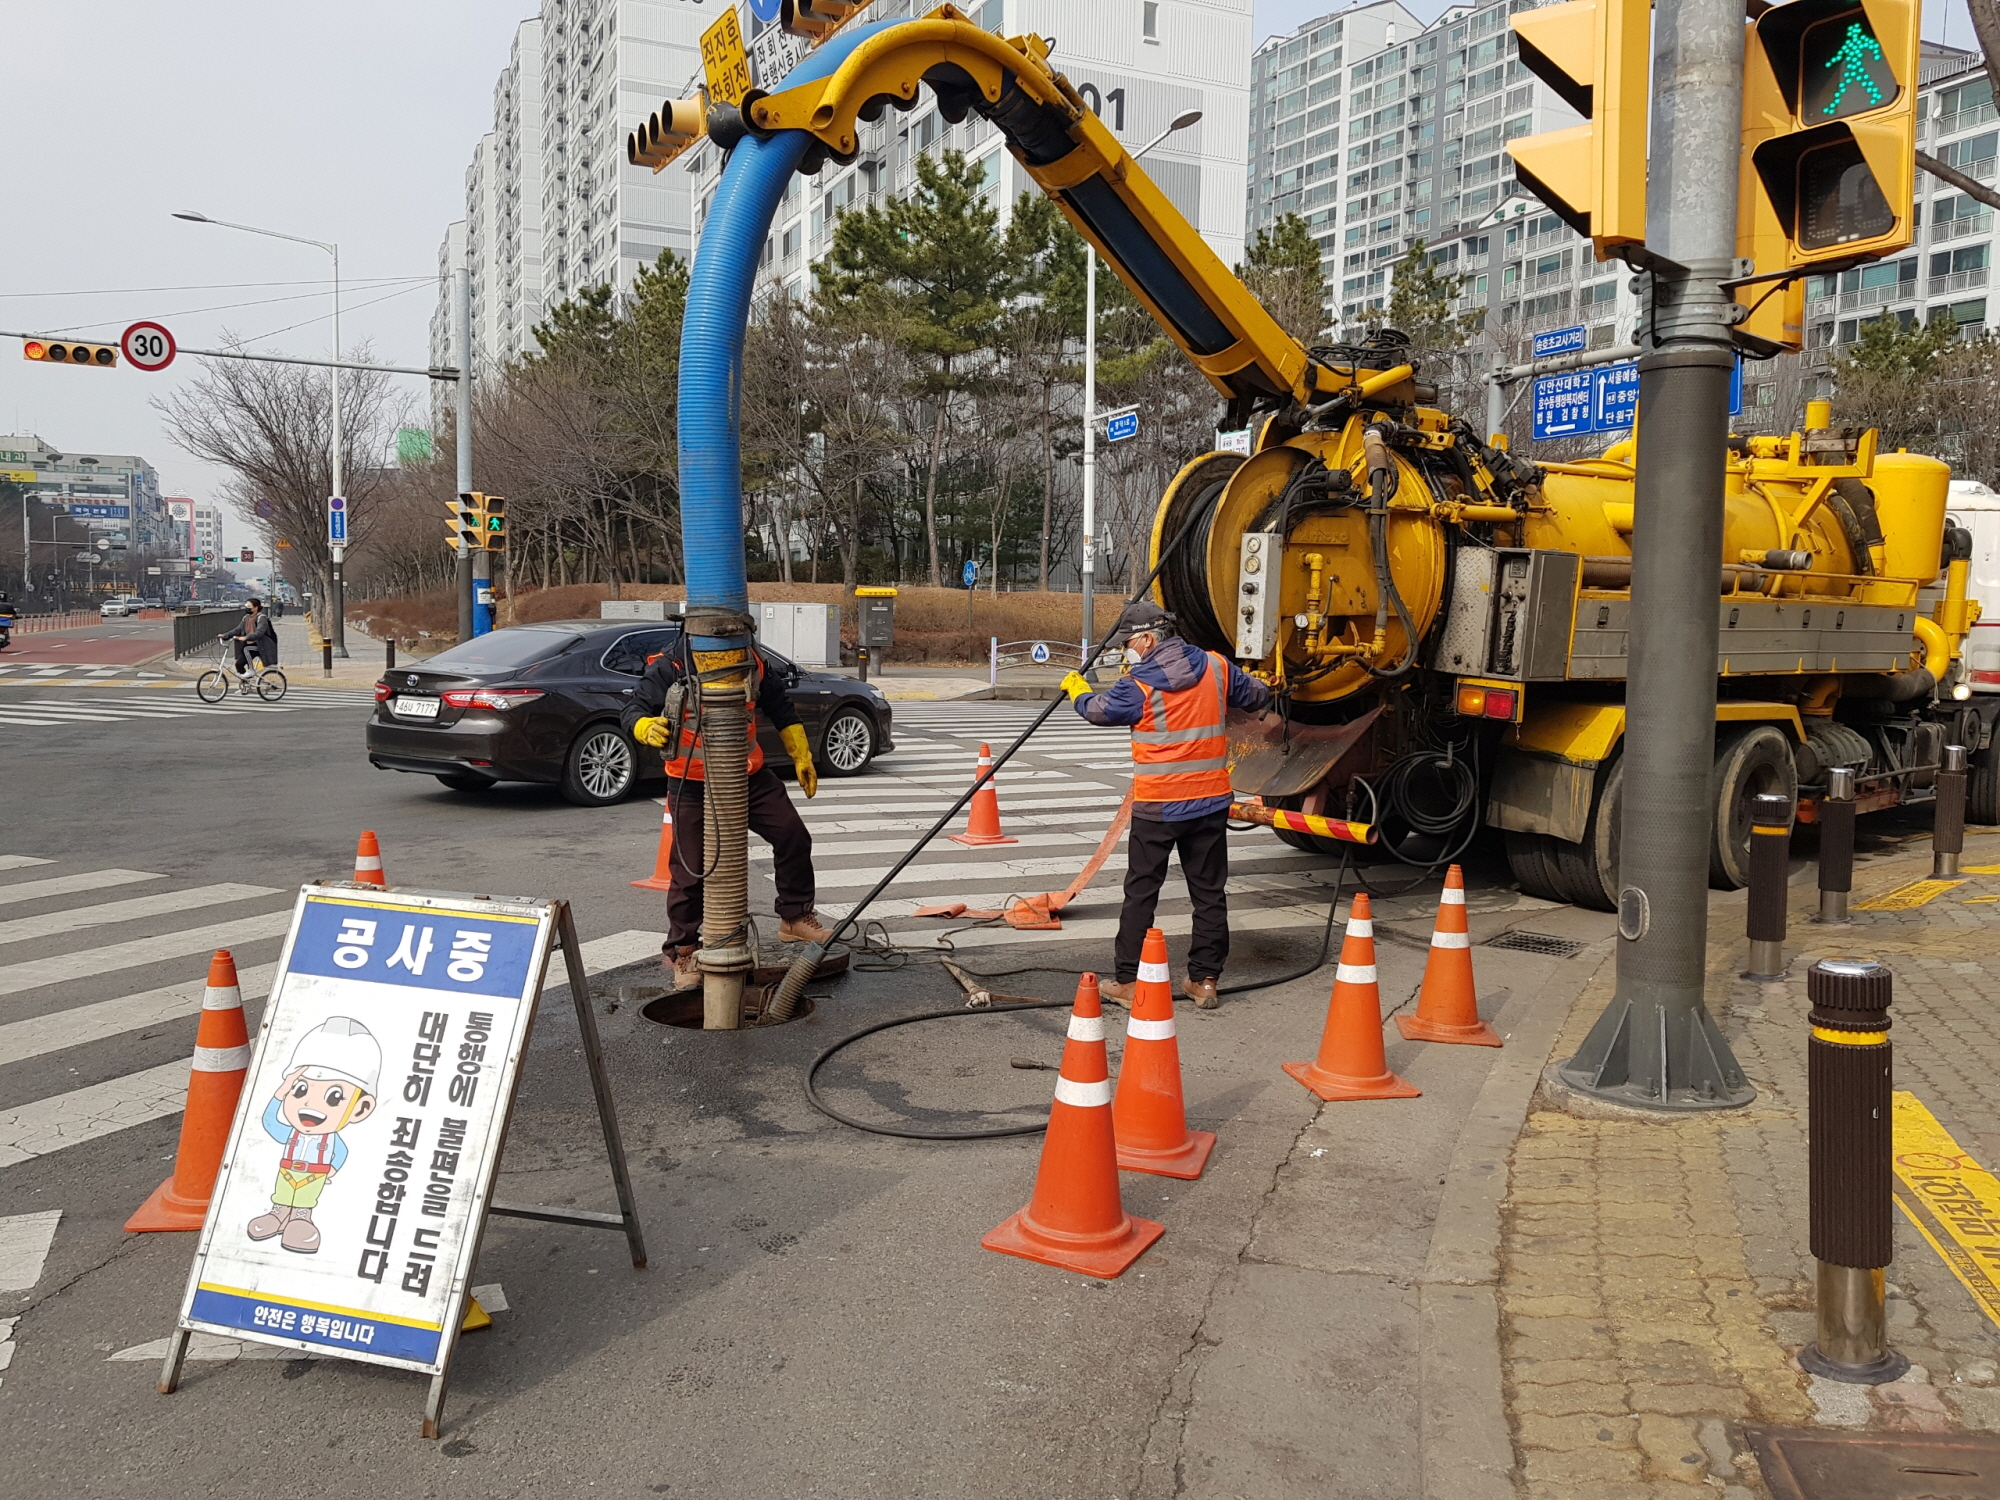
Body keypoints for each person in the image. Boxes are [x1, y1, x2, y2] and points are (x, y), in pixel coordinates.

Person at [1061, 600, 1272, 1009]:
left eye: (1128, 643)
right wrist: (1264, 685)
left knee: (1141, 892)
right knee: (1209, 893)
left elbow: (1097, 712)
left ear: (1146, 638)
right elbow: (1255, 694)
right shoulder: (1216, 667)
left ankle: (1128, 981)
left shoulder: (1137, 685)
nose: (1127, 651)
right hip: (1209, 803)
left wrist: (1077, 690)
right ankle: (1205, 980)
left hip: (1158, 808)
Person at [622, 631, 833, 992]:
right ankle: (684, 951)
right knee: (689, 873)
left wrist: (801, 754)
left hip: (746, 774)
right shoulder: (672, 664)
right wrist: (643, 726)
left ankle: (794, 917)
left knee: (793, 836)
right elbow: (632, 710)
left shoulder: (751, 661)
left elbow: (780, 706)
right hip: (691, 780)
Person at [229, 597, 279, 677]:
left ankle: (251, 670)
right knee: (239, 664)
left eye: (249, 607)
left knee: (246, 649)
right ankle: (246, 686)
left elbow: (259, 633)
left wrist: (246, 637)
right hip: (250, 645)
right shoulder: (246, 618)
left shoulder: (261, 618)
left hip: (261, 645)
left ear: (256, 608)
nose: (247, 608)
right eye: (246, 606)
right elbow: (238, 630)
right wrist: (225, 635)